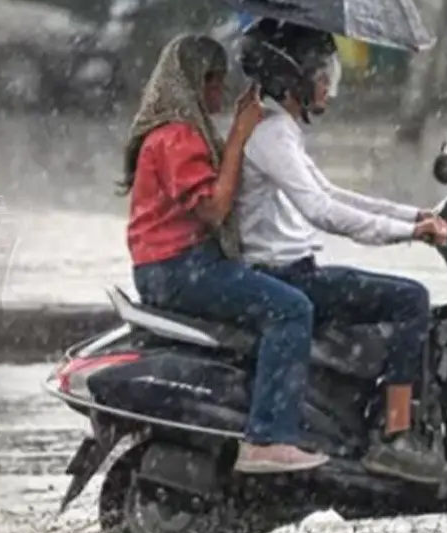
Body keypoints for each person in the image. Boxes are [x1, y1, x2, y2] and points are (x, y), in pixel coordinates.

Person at [234, 18, 447, 484]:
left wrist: (413, 215)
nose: (329, 88)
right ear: (293, 78)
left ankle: (373, 419)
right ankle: (395, 437)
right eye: (322, 75)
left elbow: (336, 195)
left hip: (292, 271)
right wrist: (409, 234)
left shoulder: (280, 130)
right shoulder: (272, 136)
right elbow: (323, 211)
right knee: (409, 299)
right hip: (287, 277)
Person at [124, 33, 326, 474]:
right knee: (290, 310)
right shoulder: (177, 137)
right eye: (214, 83)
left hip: (178, 265)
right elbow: (215, 210)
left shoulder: (183, 132)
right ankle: (268, 438)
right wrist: (238, 134)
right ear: (194, 84)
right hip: (178, 269)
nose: (221, 93)